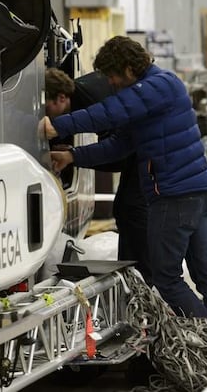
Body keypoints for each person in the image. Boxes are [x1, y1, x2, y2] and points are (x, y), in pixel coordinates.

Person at [42, 36, 207, 345]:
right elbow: (119, 145)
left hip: (174, 196)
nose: (110, 82)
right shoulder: (151, 99)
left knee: (166, 277)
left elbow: (109, 112)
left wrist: (56, 125)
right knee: (205, 272)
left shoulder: (158, 86)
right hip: (194, 192)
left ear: (130, 69)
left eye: (112, 75)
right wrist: (73, 156)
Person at [45, 67, 152, 285]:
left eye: (48, 108)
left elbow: (120, 155)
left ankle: (143, 281)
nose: (48, 117)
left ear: (62, 97)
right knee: (124, 210)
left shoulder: (94, 100)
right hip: (141, 154)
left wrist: (74, 156)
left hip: (143, 156)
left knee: (131, 211)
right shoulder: (82, 92)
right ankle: (137, 278)